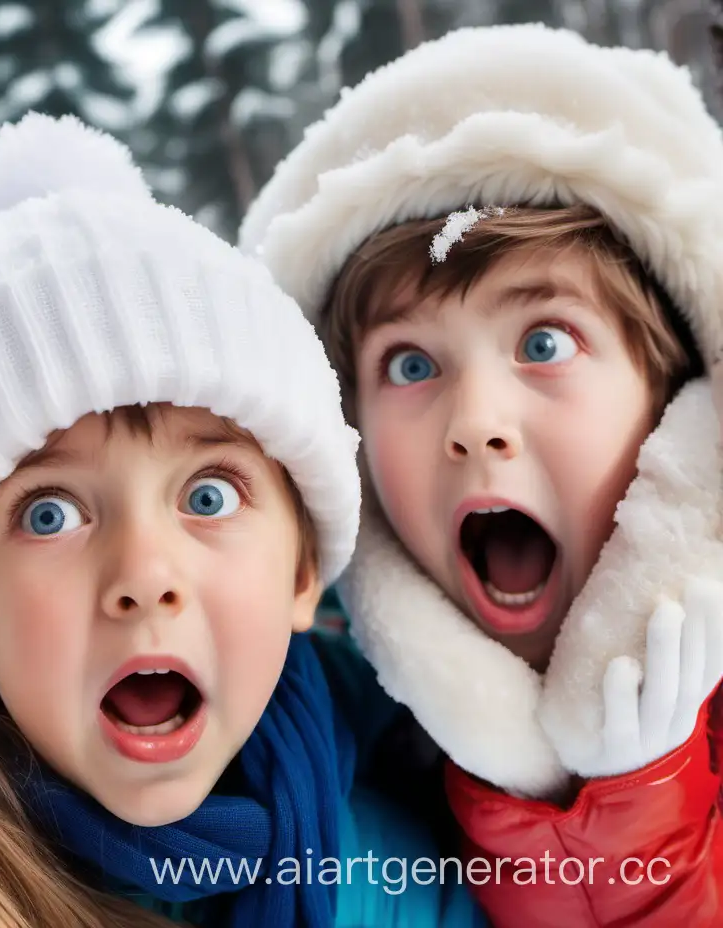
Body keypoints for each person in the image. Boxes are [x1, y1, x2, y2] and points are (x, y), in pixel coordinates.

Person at [0, 113, 487, 928]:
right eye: (49, 514)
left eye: (208, 496)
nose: (144, 576)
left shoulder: (403, 882)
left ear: (299, 572)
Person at [239, 23, 723, 925]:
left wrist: (639, 817)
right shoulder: (345, 745)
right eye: (411, 366)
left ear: (676, 409)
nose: (475, 426)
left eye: (544, 343)